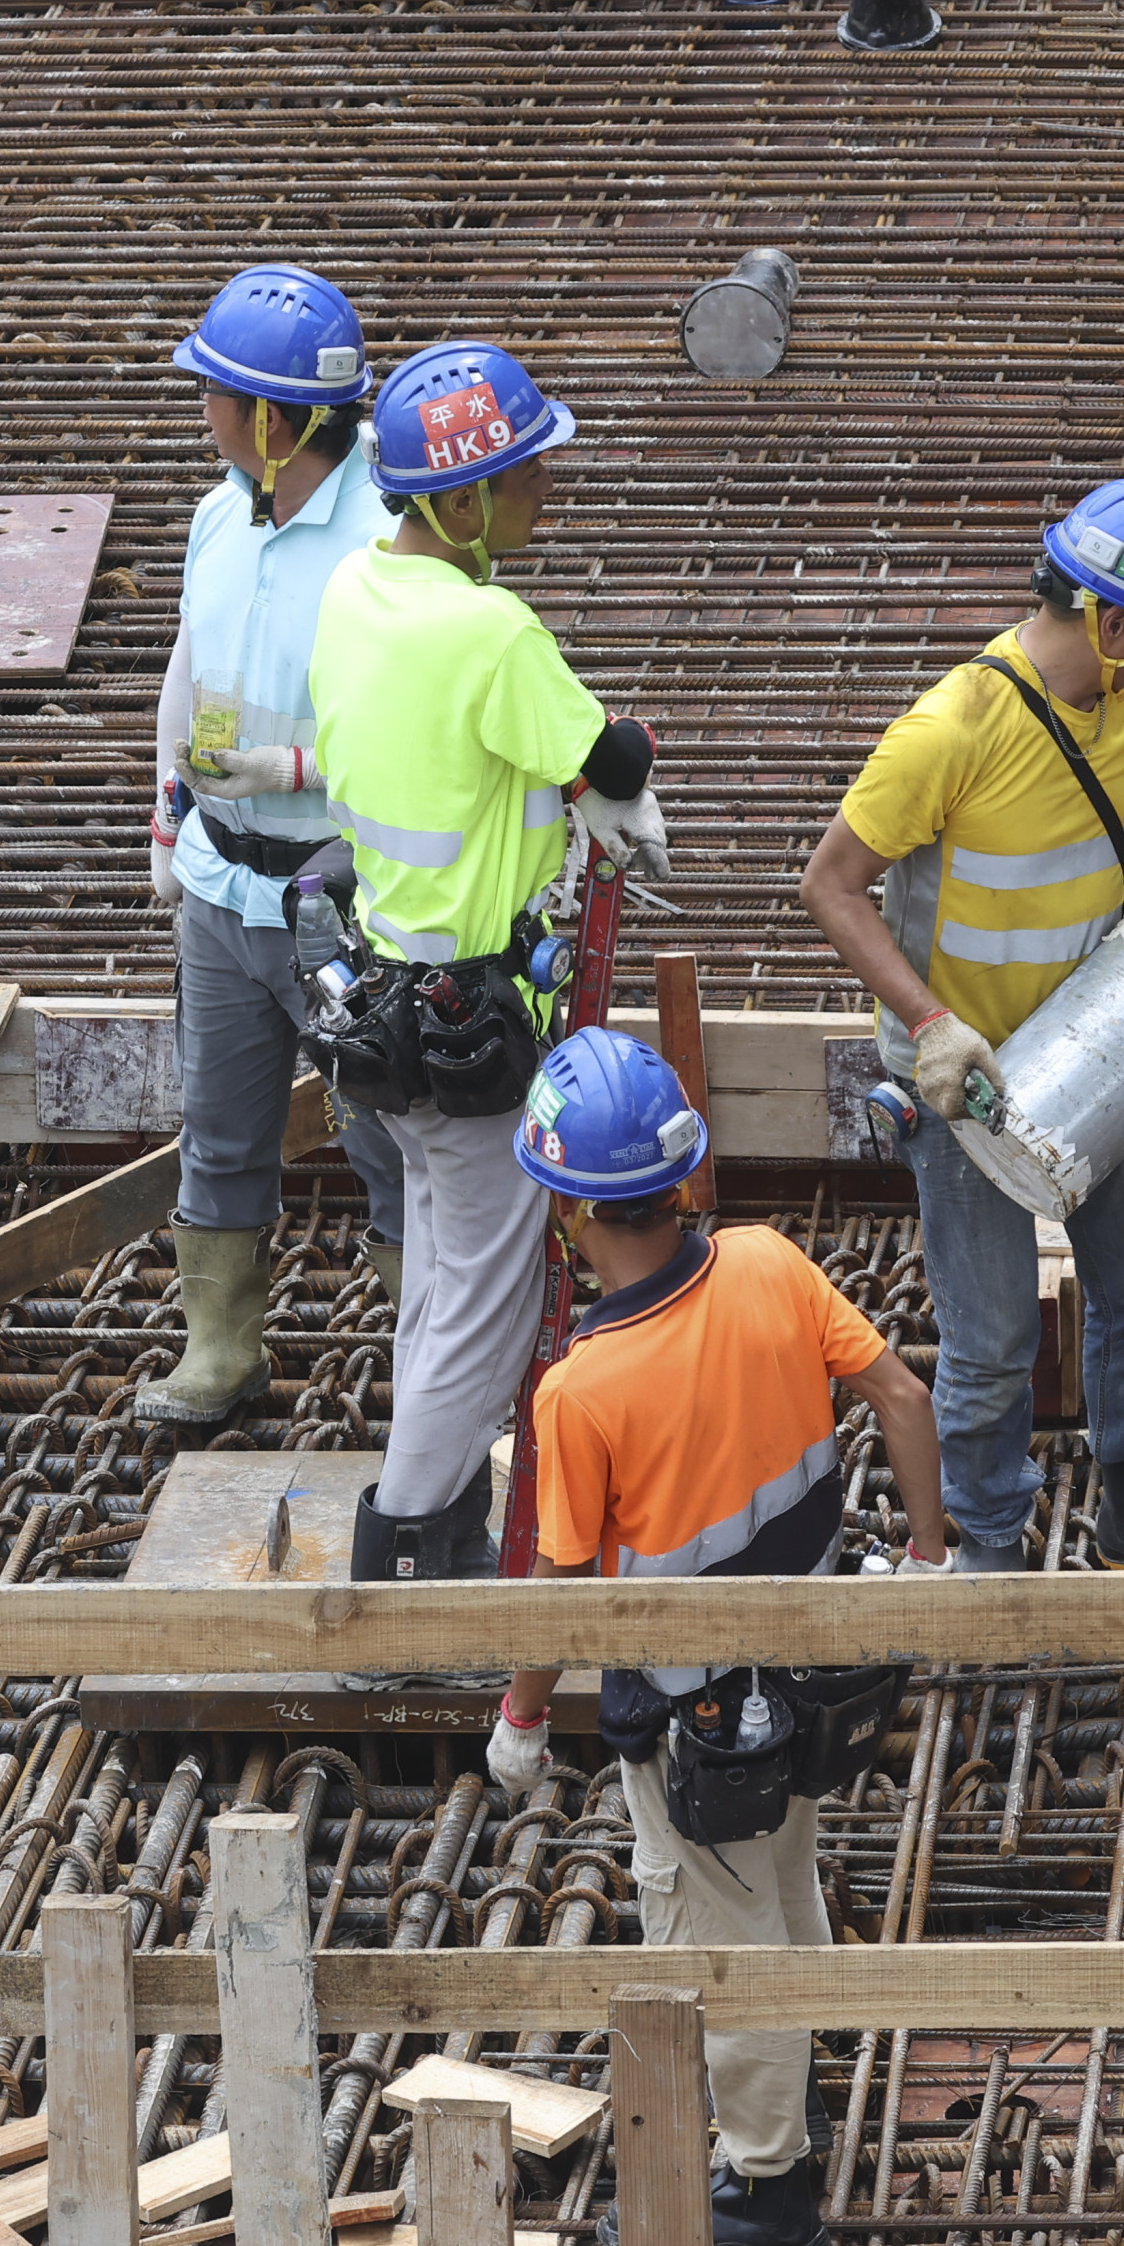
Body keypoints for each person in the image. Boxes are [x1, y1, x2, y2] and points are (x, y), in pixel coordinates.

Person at [495, 1028, 950, 2246]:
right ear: (682, 1179)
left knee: (720, 1939)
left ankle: (768, 2191)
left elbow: (560, 1580)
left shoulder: (580, 1390)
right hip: (814, 1669)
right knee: (784, 1881)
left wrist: (521, 1719)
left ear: (565, 1209)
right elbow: (905, 1402)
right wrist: (923, 1562)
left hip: (704, 1724)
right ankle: (788, 2086)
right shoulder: (767, 1263)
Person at [798, 478, 1124, 1575]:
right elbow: (832, 885)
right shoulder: (953, 728)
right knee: (989, 1340)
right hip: (969, 1077)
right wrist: (931, 1025)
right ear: (1113, 619)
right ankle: (989, 1539)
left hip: (1096, 1047)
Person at [305, 340, 667, 1585]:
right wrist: (624, 771)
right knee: (491, 1298)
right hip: (474, 1020)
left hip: (385, 993)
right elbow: (606, 762)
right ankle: (409, 1542)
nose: (544, 493)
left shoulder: (356, 588)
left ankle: (437, 1509)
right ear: (459, 503)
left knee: (442, 1279)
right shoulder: (492, 629)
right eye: (525, 475)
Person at [137, 263, 411, 1423]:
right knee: (222, 1126)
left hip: (339, 894)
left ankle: (433, 1370)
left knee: (394, 1141)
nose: (199, 410)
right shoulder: (220, 511)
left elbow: (423, 745)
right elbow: (187, 669)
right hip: (219, 883)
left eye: (214, 394)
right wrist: (167, 821)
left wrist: (294, 775)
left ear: (273, 417)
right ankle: (224, 1352)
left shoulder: (388, 543)